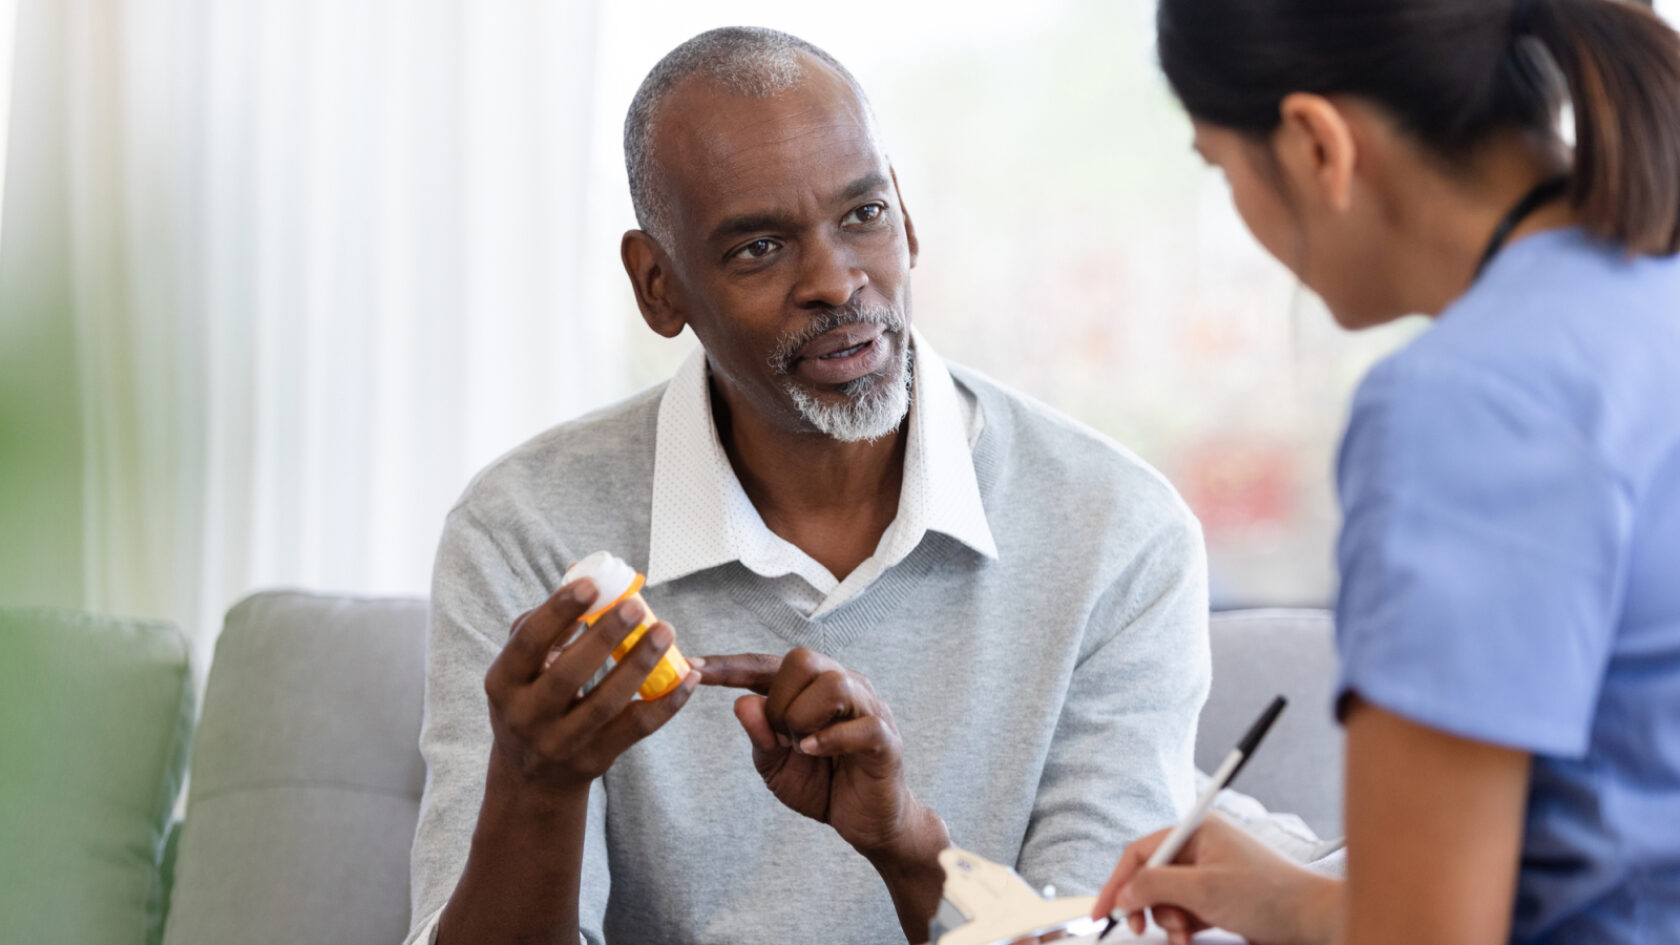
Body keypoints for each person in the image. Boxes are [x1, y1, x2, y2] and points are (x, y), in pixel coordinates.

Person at [405, 27, 1212, 945]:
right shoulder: (525, 530)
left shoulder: (1119, 532)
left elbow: (1095, 936)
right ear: (658, 286)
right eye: (758, 248)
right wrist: (534, 787)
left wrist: (910, 849)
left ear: (906, 215)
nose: (836, 281)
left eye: (862, 214)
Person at [1090, 1, 1680, 943]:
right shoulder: (1646, 298)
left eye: (1221, 169)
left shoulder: (1465, 406)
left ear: (1317, 144)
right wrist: (1285, 898)